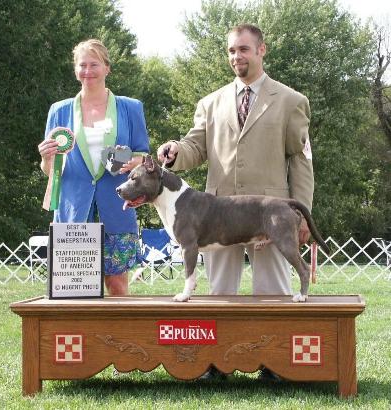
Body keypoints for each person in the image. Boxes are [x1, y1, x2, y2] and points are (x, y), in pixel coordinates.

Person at [158, 23, 313, 382]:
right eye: (231, 50)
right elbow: (195, 147)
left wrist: (302, 213)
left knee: (273, 292)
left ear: (261, 50)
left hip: (268, 215)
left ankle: (274, 364)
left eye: (243, 49)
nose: (236, 56)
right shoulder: (210, 103)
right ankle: (216, 364)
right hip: (217, 217)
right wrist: (177, 150)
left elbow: (301, 160)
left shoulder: (291, 101)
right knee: (220, 294)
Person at [39, 39, 149, 296]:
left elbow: (143, 156)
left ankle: (118, 325)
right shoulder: (58, 111)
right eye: (82, 65)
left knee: (117, 285)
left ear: (107, 68)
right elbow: (50, 170)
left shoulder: (131, 107)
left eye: (94, 64)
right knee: (74, 289)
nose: (87, 71)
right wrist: (46, 158)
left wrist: (127, 161)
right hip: (74, 207)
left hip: (117, 204)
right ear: (75, 69)